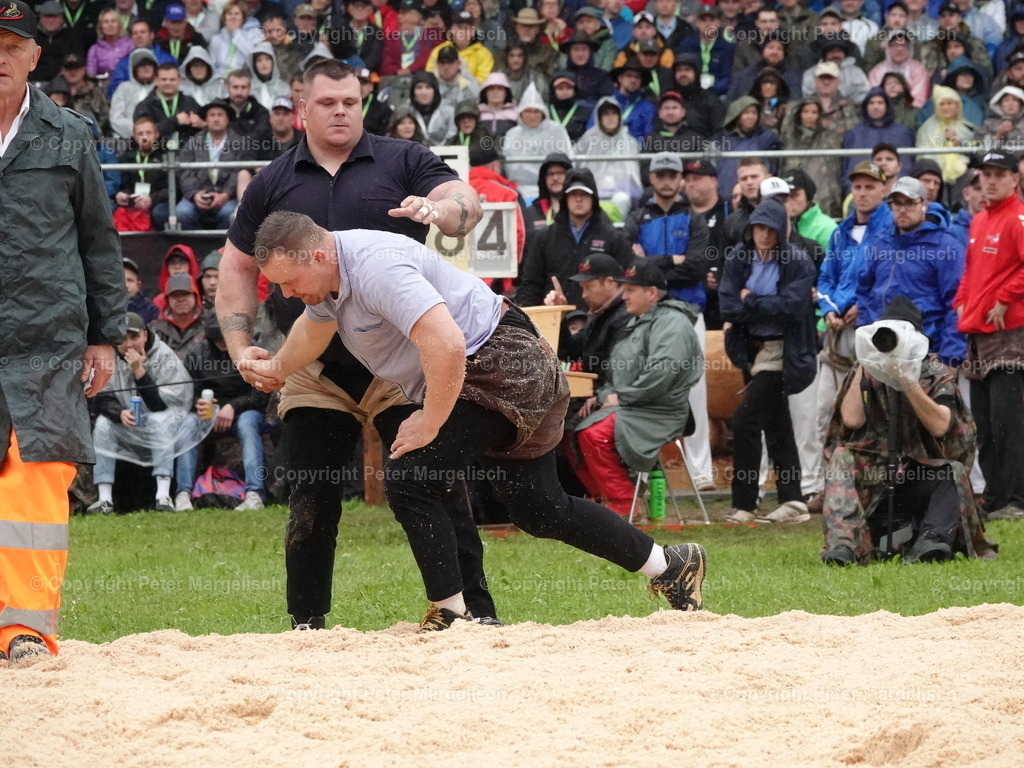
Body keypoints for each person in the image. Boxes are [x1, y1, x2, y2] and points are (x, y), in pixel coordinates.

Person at [244, 212, 708, 628]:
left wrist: (428, 420)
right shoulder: (330, 276)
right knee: (539, 508)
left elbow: (444, 342)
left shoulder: (375, 265)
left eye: (289, 281)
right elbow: (314, 325)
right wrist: (279, 369)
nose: (287, 294)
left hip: (501, 360)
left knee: (412, 476)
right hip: (494, 360)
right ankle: (670, 565)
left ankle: (453, 615)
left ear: (319, 254)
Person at [217, 59, 499, 631]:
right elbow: (237, 266)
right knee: (311, 494)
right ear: (302, 108)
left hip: (401, 363)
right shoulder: (272, 181)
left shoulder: (403, 159)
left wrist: (441, 211)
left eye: (350, 100)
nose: (341, 110)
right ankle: (306, 623)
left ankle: (475, 615)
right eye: (327, 103)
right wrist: (242, 345)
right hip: (313, 361)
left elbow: (464, 204)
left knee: (436, 485)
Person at [0, 0, 126, 666]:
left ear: (33, 56)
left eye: (11, 44)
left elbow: (98, 240)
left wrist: (105, 335)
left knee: (36, 480)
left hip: (46, 342)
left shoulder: (67, 135)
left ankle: (22, 629)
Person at [819, 297, 997, 565]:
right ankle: (845, 546)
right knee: (843, 455)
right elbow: (851, 420)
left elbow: (940, 426)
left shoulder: (935, 372)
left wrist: (908, 382)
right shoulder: (866, 369)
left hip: (918, 474)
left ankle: (932, 541)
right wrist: (865, 362)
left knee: (952, 472)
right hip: (875, 479)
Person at [573, 261, 704, 515]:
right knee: (571, 429)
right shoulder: (639, 321)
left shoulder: (672, 323)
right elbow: (618, 372)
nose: (625, 296)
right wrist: (601, 396)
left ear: (652, 293)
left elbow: (662, 374)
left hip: (658, 411)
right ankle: (603, 499)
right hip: (637, 405)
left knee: (593, 434)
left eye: (631, 290)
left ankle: (623, 504)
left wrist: (622, 397)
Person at [720, 198, 817, 523]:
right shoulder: (738, 257)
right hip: (752, 350)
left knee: (745, 420)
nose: (763, 234)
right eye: (758, 227)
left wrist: (751, 299)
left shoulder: (798, 262)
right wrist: (758, 304)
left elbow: (791, 308)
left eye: (769, 228)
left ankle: (744, 505)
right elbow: (728, 306)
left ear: (780, 231)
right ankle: (794, 501)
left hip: (782, 352)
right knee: (778, 427)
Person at [624, 152, 714, 490]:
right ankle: (646, 473)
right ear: (652, 178)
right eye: (660, 174)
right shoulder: (636, 217)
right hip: (648, 314)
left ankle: (702, 473)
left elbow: (695, 267)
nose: (666, 180)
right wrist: (670, 261)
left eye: (671, 174)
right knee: (647, 383)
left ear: (680, 179)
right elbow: (631, 266)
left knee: (696, 388)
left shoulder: (694, 219)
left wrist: (652, 266)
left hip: (689, 311)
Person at [954, 150, 1024, 520]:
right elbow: (970, 270)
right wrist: (962, 299)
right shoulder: (979, 220)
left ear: (1015, 179)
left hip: (1010, 333)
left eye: (999, 174)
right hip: (979, 332)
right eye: (986, 174)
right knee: (983, 421)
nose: (991, 181)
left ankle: (1015, 499)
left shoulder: (1018, 218)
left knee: (1008, 421)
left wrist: (1005, 297)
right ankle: (995, 496)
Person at [89, 312, 206, 514]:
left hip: (167, 421)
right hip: (129, 420)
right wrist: (119, 413)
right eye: (122, 339)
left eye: (134, 337)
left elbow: (162, 405)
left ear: (144, 335)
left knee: (160, 421)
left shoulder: (164, 356)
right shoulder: (109, 357)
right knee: (102, 424)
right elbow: (101, 397)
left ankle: (163, 495)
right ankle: (104, 499)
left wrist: (140, 372)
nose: (128, 344)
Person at [817, 161, 893, 459]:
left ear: (883, 190)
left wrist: (863, 307)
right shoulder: (840, 232)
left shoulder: (890, 231)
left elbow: (890, 279)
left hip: (873, 330)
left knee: (870, 410)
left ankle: (869, 480)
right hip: (837, 332)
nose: (862, 193)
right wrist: (829, 310)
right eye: (857, 187)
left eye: (870, 187)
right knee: (825, 407)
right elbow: (825, 279)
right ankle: (827, 481)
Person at [856, 176, 966, 370]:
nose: (903, 209)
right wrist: (865, 334)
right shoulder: (881, 242)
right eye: (897, 203)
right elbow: (864, 290)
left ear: (924, 204)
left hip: (926, 351)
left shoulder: (945, 245)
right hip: (879, 348)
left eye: (909, 202)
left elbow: (956, 303)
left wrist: (950, 358)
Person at [177, 311, 270, 512]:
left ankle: (255, 493)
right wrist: (196, 404)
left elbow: (262, 394)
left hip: (244, 411)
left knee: (247, 424)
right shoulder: (196, 353)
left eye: (226, 341)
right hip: (206, 413)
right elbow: (184, 392)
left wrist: (232, 407)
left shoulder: (251, 351)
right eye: (218, 342)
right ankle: (183, 493)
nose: (223, 346)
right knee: (188, 423)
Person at [517, 168, 633, 309]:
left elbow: (626, 281)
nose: (579, 199)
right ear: (565, 198)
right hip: (556, 320)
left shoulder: (613, 237)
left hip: (599, 321)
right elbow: (530, 284)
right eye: (573, 194)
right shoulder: (544, 238)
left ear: (593, 198)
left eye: (584, 194)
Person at [176, 100, 247, 230]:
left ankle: (223, 248)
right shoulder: (192, 143)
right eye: (212, 115)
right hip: (199, 195)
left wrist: (225, 195)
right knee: (182, 212)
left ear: (227, 119)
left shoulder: (240, 143)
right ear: (206, 120)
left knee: (229, 214)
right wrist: (194, 194)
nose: (216, 119)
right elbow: (185, 172)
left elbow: (237, 172)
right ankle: (196, 247)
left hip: (227, 197)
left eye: (220, 115)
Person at [151, 273, 206, 360]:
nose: (180, 299)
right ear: (167, 299)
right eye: (175, 295)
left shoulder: (208, 326)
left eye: (186, 294)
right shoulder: (154, 329)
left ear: (195, 296)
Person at [124, 257, 159, 323]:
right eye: (120, 280)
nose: (125, 285)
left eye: (130, 280)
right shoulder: (103, 307)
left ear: (138, 285)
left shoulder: (149, 310)